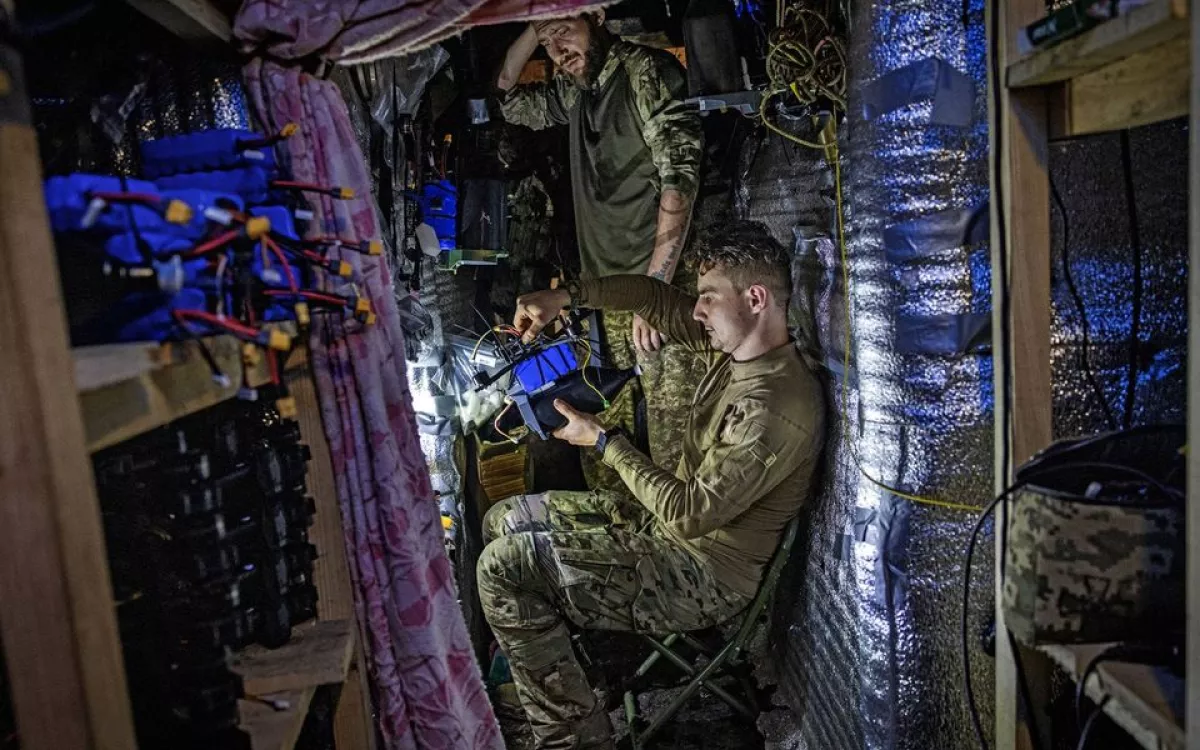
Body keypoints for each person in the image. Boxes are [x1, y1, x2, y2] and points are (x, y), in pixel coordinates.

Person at [476, 221, 826, 749]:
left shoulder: (775, 407)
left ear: (755, 299)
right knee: (503, 519)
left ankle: (575, 740)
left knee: (503, 569)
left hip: (700, 575)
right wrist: (564, 297)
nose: (698, 310)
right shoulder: (736, 352)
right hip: (663, 532)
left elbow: (690, 513)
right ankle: (572, 686)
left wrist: (604, 441)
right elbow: (650, 297)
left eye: (709, 297)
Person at [496, 11, 705, 488]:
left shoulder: (644, 71)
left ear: (595, 15)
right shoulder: (576, 90)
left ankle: (680, 537)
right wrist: (536, 23)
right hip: (602, 300)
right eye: (547, 44)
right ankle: (629, 536)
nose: (557, 50)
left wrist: (654, 292)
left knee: (675, 452)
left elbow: (679, 181)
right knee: (604, 453)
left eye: (564, 32)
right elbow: (508, 97)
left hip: (659, 289)